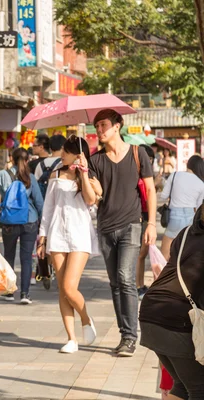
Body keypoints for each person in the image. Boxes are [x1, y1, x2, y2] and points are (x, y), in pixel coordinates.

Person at [89, 109, 157, 357]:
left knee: (125, 277)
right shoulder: (94, 161)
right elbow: (93, 198)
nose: (99, 130)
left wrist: (151, 224)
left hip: (131, 224)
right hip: (105, 227)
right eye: (96, 126)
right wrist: (84, 176)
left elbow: (150, 190)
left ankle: (130, 337)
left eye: (103, 125)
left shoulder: (138, 154)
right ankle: (124, 334)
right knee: (116, 284)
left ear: (117, 126)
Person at [37, 135, 99, 353]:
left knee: (68, 287)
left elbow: (91, 201)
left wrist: (83, 172)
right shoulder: (55, 173)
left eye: (65, 152)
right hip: (57, 235)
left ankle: (85, 318)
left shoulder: (88, 175)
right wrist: (42, 237)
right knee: (61, 290)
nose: (61, 155)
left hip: (80, 234)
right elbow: (48, 208)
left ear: (77, 154)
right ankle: (72, 339)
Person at [140, 205, 204, 400]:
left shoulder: (185, 233)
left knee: (183, 386)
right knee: (199, 389)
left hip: (151, 312)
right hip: (175, 319)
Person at [0, 148, 44, 304]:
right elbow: (39, 202)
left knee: (9, 256)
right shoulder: (30, 177)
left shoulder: (3, 175)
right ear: (27, 160)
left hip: (9, 222)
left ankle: (9, 292)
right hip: (29, 221)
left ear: (11, 159)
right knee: (26, 259)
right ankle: (25, 294)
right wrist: (42, 222)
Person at [158, 155, 204, 260]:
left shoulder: (175, 175)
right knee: (184, 255)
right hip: (190, 218)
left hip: (174, 217)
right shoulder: (201, 183)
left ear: (188, 165)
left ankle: (162, 275)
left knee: (164, 256)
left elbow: (163, 196)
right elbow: (198, 208)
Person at [136, 145, 158, 300]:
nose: (148, 162)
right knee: (141, 254)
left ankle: (139, 285)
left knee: (142, 253)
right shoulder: (137, 176)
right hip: (139, 216)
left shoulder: (145, 175)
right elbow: (146, 195)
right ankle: (138, 286)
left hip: (145, 215)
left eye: (150, 159)